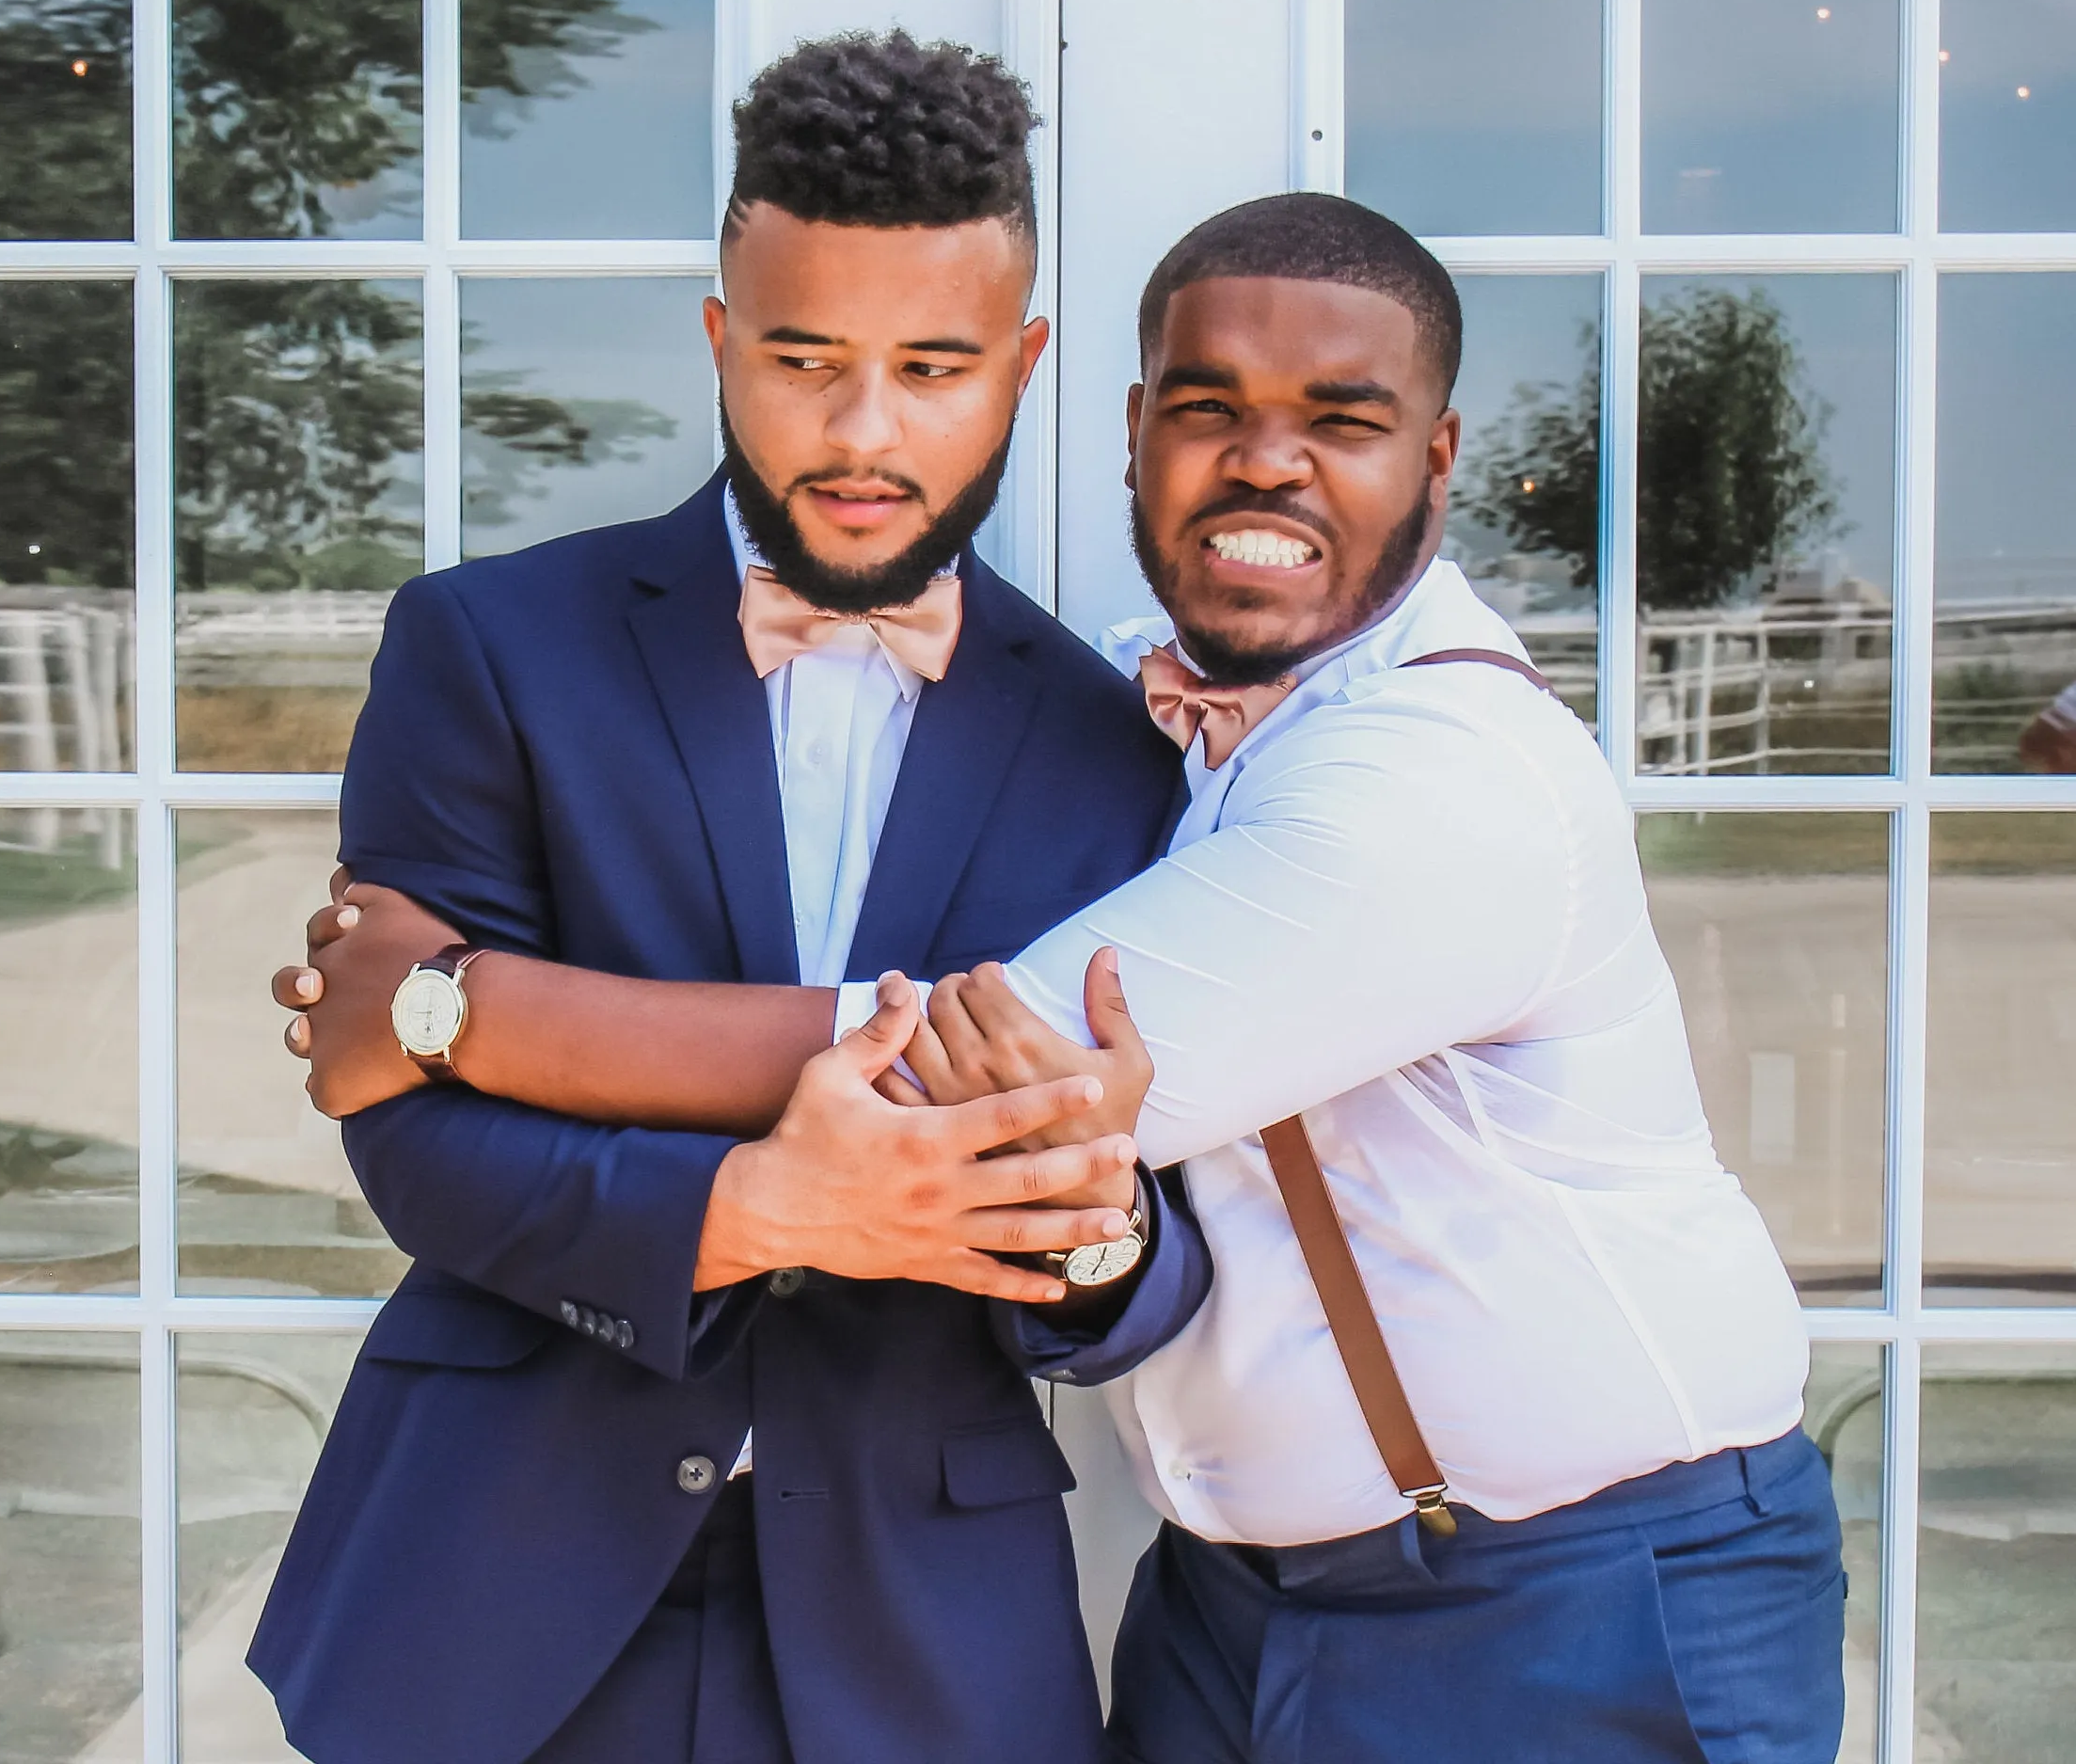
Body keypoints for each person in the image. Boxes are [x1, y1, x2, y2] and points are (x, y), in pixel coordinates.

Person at [285, 194, 1846, 1764]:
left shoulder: (1423, 778)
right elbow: (1197, 1201)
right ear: (1129, 432)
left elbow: (1004, 1097)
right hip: (1190, 1610)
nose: (1265, 462)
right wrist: (782, 1210)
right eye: (1210, 409)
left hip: (1552, 1606)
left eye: (1343, 421)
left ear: (1437, 460)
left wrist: (447, 1009)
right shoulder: (1175, 724)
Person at [245, 33, 1215, 1764]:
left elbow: (1160, 1248)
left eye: (934, 367)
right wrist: (758, 1215)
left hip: (922, 1640)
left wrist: (1090, 1233)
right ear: (717, 340)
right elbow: (405, 1133)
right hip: (487, 1590)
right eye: (802, 357)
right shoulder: (488, 649)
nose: (864, 431)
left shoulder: (1122, 747)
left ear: (1025, 364)